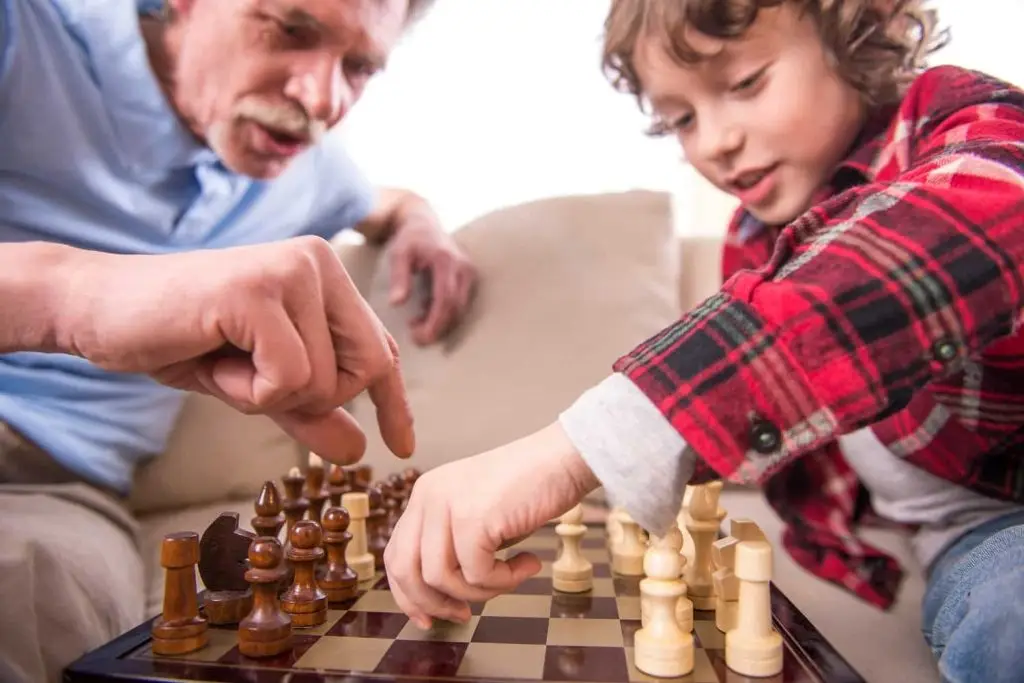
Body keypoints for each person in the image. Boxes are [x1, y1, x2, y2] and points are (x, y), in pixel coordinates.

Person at [384, 1, 1024, 681]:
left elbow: (935, 247)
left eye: (746, 83)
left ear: (863, 28)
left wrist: (574, 447)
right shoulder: (755, 241)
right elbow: (765, 401)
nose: (714, 141)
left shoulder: (970, 124)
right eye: (681, 119)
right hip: (979, 538)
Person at [0, 0, 477, 681]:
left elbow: (387, 201)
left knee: (27, 591)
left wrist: (421, 222)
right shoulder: (22, 32)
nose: (324, 99)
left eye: (359, 66)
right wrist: (71, 298)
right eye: (289, 29)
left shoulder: (304, 165)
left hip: (51, 485)